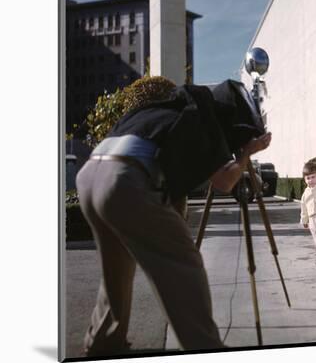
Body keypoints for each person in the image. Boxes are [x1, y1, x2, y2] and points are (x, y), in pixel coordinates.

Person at [76, 80, 271, 356]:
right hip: (124, 181)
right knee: (184, 265)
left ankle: (102, 345)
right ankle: (205, 348)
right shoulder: (202, 117)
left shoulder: (160, 109)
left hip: (89, 176)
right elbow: (225, 182)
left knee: (116, 270)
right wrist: (247, 152)